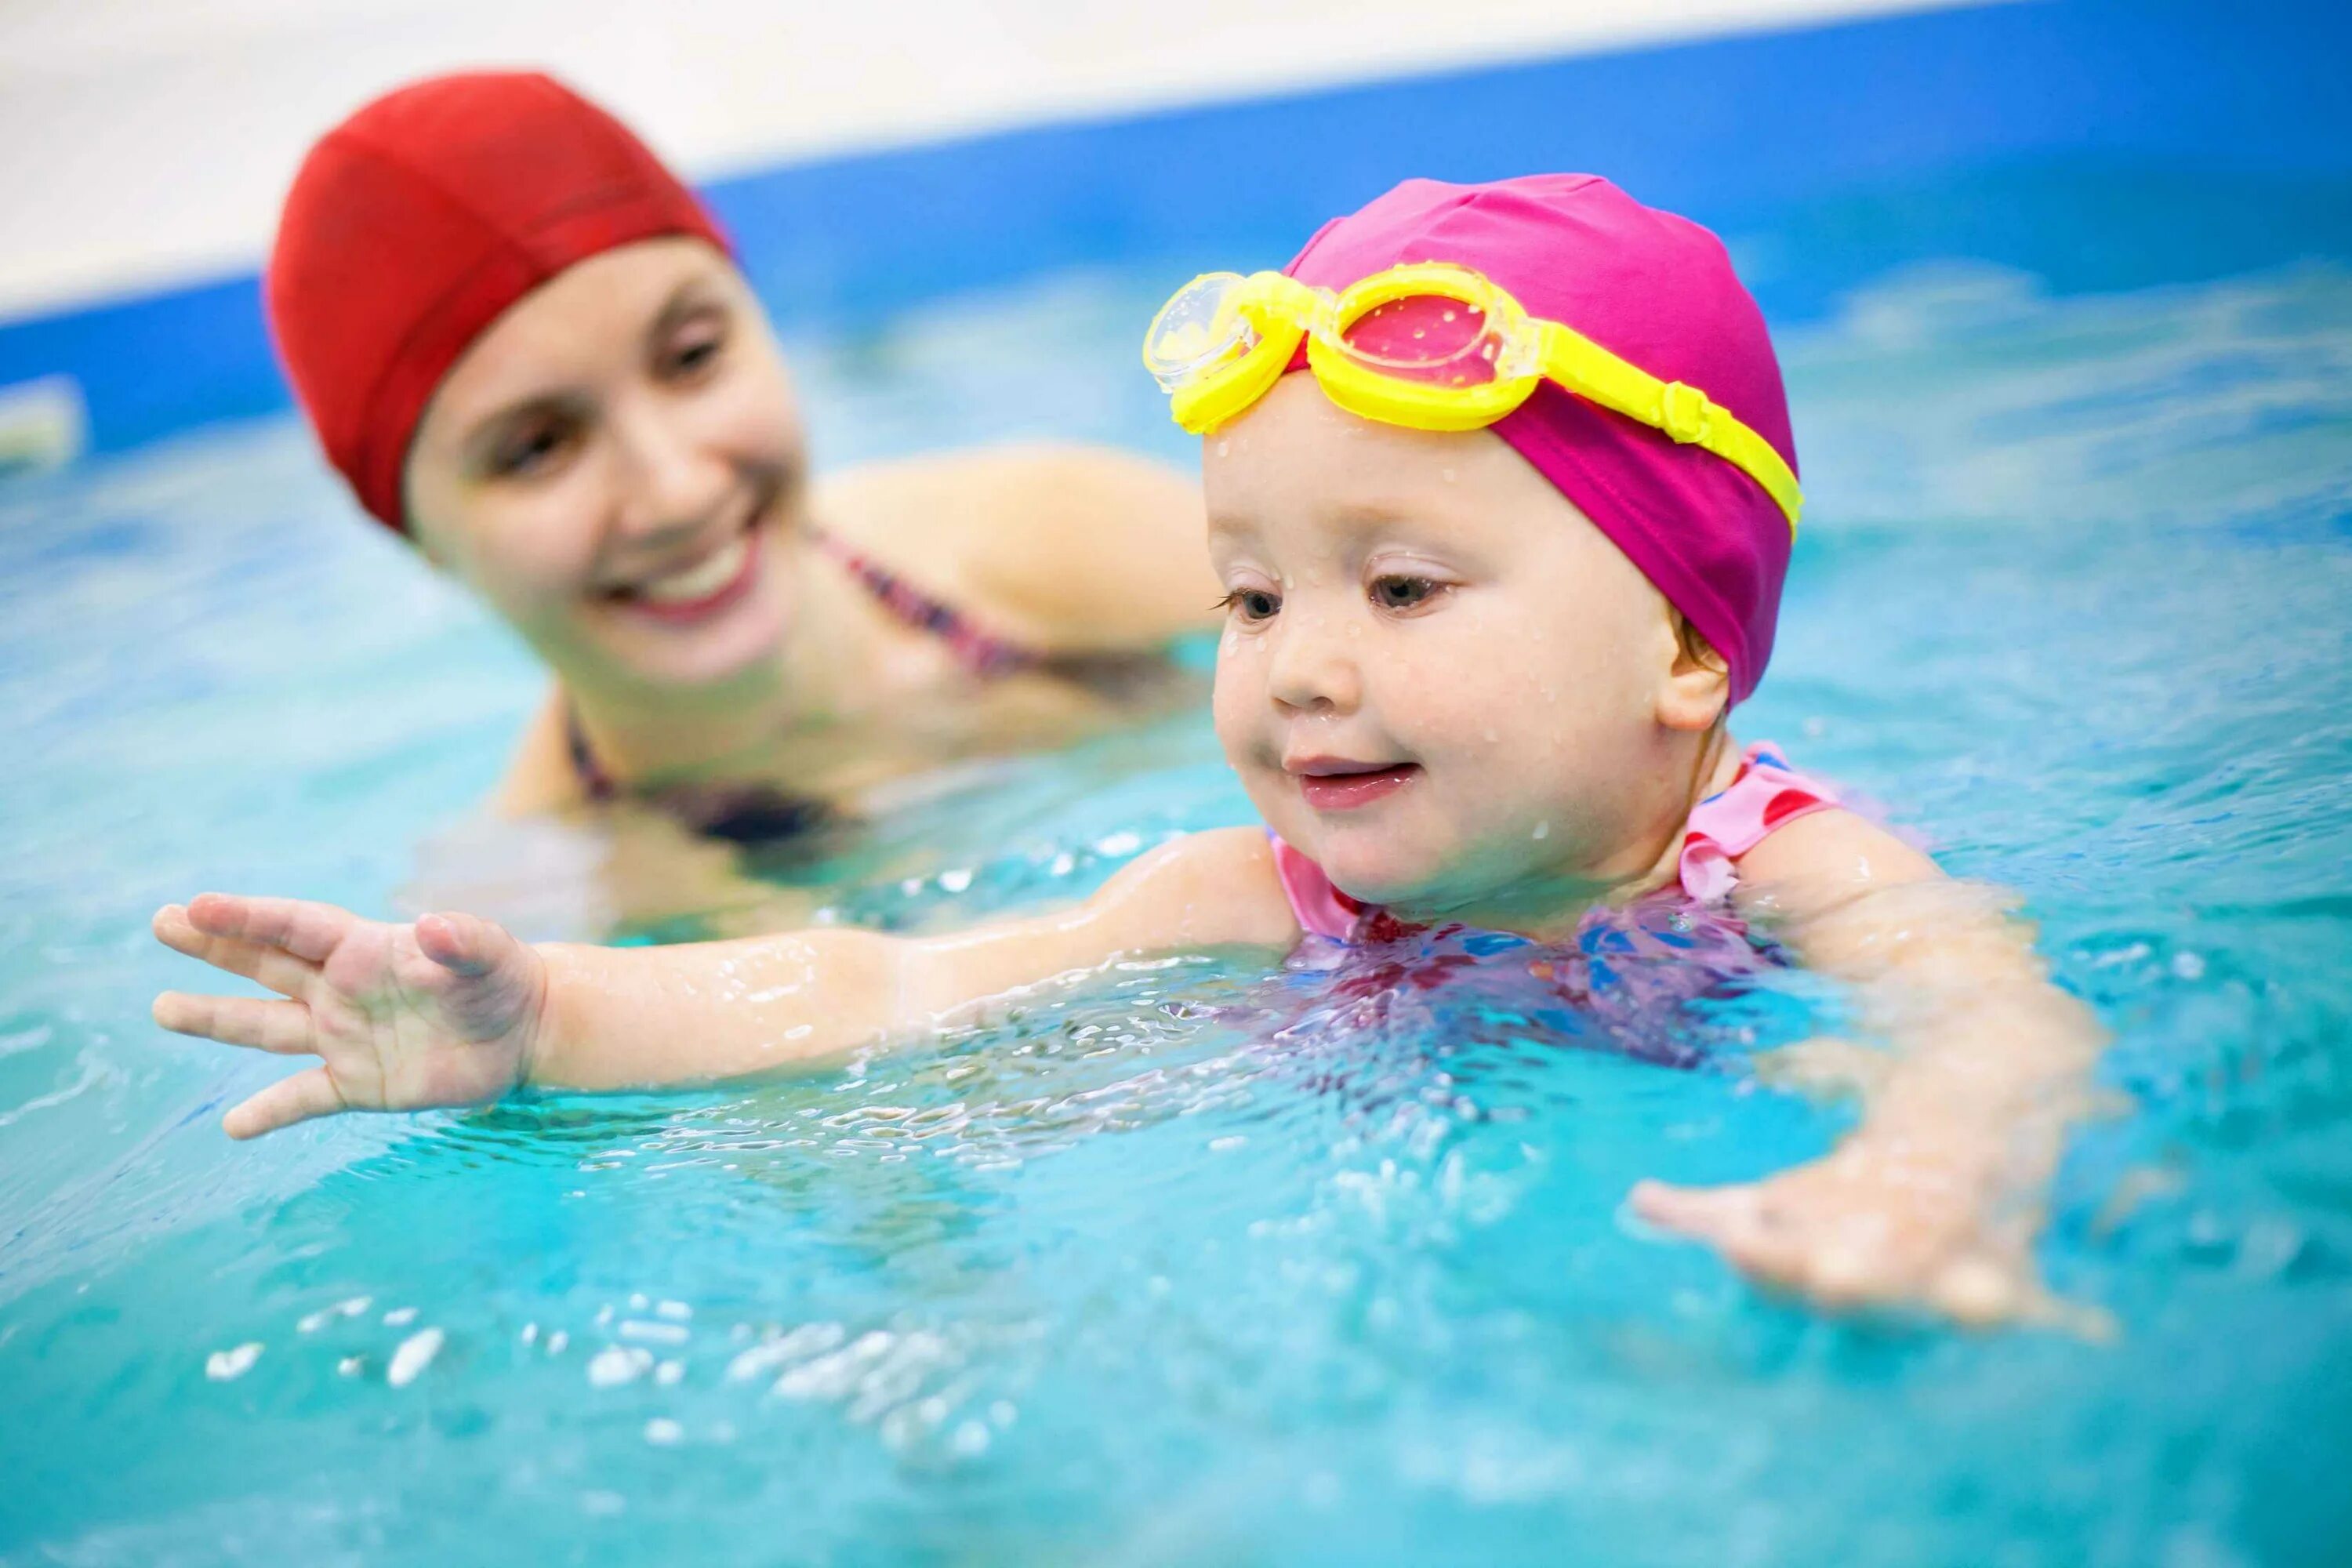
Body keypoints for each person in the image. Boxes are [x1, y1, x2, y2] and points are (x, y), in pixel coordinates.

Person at [158, 175, 2104, 1325]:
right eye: (1246, 599)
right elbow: (887, 979)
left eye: (1400, 588)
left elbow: (1989, 1017)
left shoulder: (1778, 865)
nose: (1290, 673)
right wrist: (549, 1024)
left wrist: (1924, 1174)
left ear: (1684, 642)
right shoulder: (1243, 893)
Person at [266, 71, 1218, 865]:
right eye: (537, 448)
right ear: (416, 536)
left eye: (691, 357)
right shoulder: (538, 912)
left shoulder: (1063, 532)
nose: (676, 491)